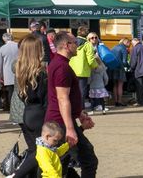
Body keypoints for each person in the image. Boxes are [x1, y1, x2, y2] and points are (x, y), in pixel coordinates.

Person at [46, 31, 97, 176]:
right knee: (87, 160)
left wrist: (79, 113)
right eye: (75, 42)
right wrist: (69, 128)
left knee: (64, 163)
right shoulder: (62, 67)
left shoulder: (61, 64)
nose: (77, 45)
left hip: (61, 121)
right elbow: (62, 99)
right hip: (59, 123)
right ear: (66, 45)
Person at [10, 36, 49, 178]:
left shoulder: (20, 68)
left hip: (27, 112)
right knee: (41, 151)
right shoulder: (41, 72)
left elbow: (21, 95)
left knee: (34, 149)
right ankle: (17, 175)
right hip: (39, 114)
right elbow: (45, 97)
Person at [71, 32, 98, 111]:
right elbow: (91, 59)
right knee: (82, 91)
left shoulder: (72, 43)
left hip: (72, 69)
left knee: (73, 90)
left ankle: (73, 107)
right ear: (86, 36)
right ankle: (81, 108)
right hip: (83, 71)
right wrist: (95, 66)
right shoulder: (87, 44)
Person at [0, 32, 19, 110]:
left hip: (7, 73)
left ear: (4, 39)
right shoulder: (18, 46)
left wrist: (0, 76)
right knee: (19, 91)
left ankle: (12, 109)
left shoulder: (2, 48)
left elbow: (0, 64)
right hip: (19, 72)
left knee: (10, 91)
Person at [88, 49, 110, 114]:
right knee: (101, 99)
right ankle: (103, 110)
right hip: (101, 86)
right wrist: (105, 83)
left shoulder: (91, 70)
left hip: (93, 87)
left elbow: (89, 78)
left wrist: (88, 83)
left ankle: (92, 110)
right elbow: (106, 78)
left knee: (92, 99)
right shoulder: (102, 69)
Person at [108, 38, 129, 107]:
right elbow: (124, 61)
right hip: (119, 68)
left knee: (115, 85)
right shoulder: (123, 48)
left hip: (112, 68)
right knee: (120, 85)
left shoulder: (114, 47)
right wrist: (129, 66)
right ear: (126, 42)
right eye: (129, 42)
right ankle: (119, 101)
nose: (129, 44)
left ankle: (116, 101)